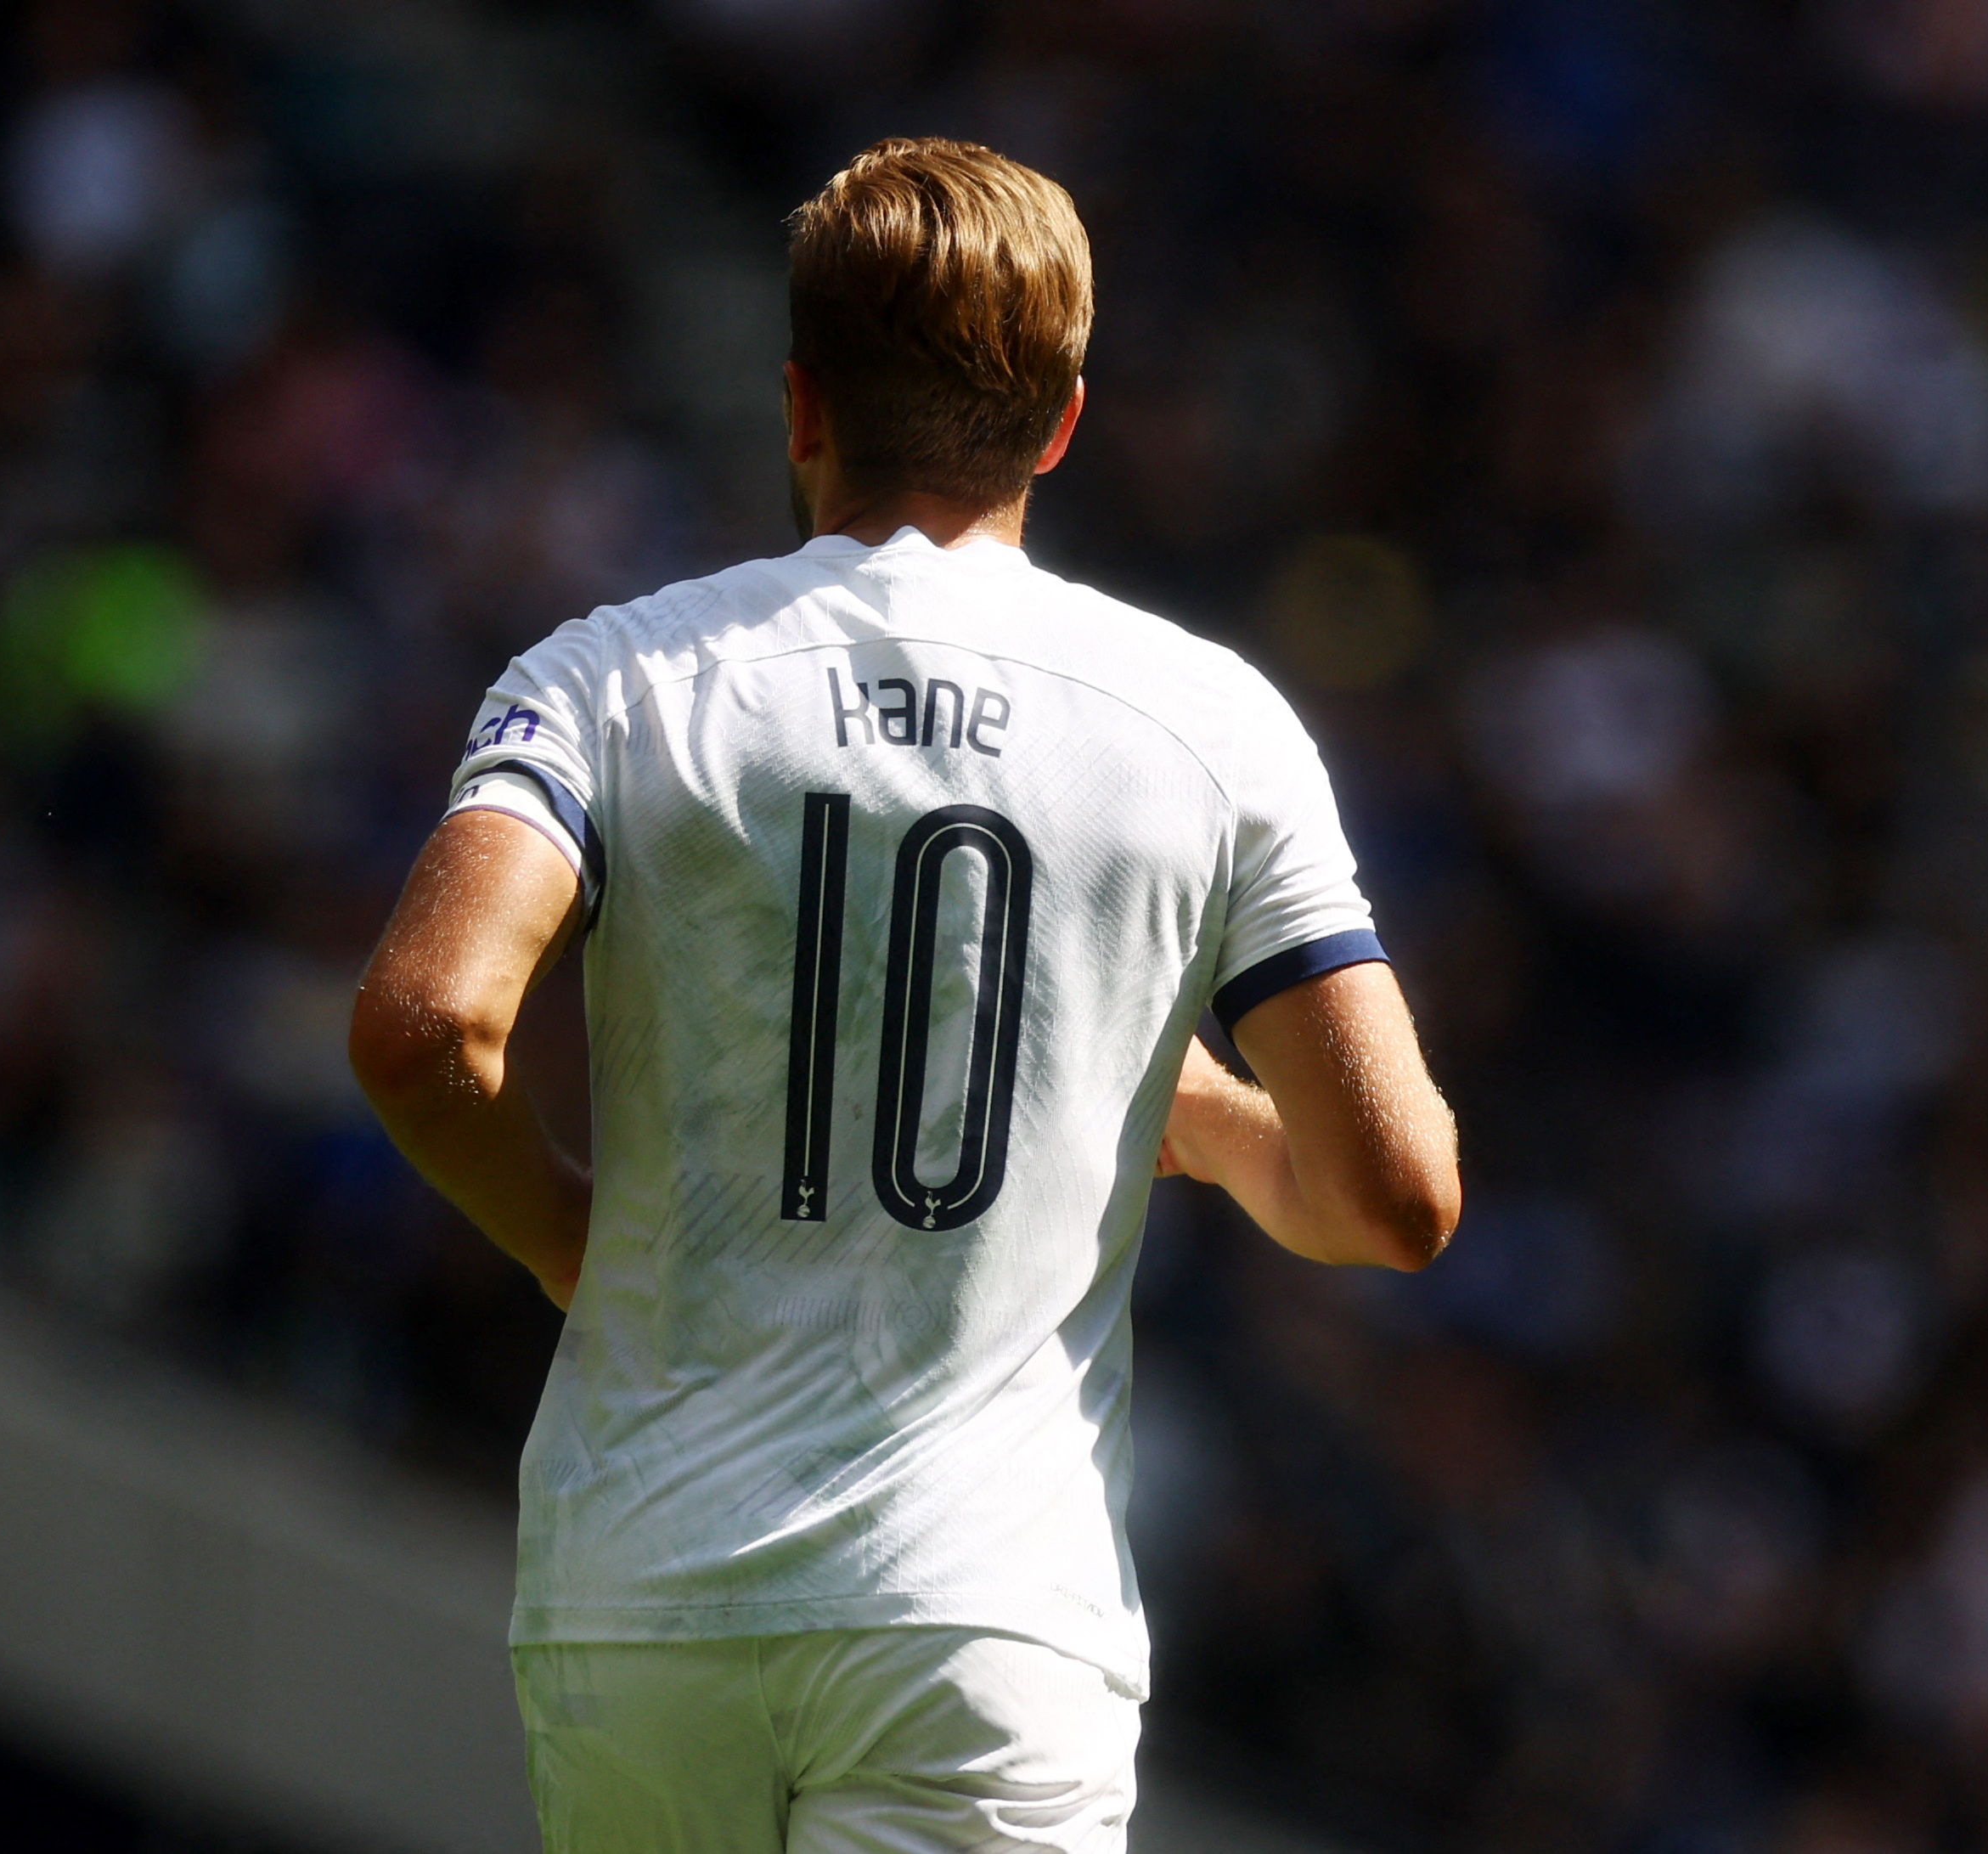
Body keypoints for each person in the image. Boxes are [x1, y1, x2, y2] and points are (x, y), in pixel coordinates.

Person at [350, 137, 1461, 1854]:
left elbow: (426, 1030)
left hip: (645, 1579)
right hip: (983, 1612)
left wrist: (579, 1243)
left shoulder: (611, 678)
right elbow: (1398, 1198)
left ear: (800, 404)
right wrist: (1229, 1135)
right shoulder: (1212, 725)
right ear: (1065, 421)